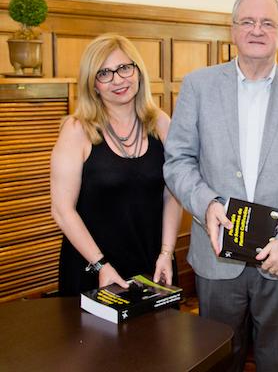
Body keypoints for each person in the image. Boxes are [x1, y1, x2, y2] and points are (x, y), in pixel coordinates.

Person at [163, 0, 278, 372]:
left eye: (268, 23)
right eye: (248, 22)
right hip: (217, 254)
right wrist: (206, 202)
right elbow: (177, 161)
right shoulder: (198, 86)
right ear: (233, 30)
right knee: (219, 360)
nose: (257, 30)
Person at [51, 33, 182, 295]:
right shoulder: (77, 130)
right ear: (93, 84)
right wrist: (100, 265)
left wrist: (167, 252)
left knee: (159, 336)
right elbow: (62, 210)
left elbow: (173, 195)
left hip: (154, 262)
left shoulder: (161, 123)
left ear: (138, 71)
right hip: (93, 265)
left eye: (124, 68)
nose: (118, 80)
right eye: (104, 73)